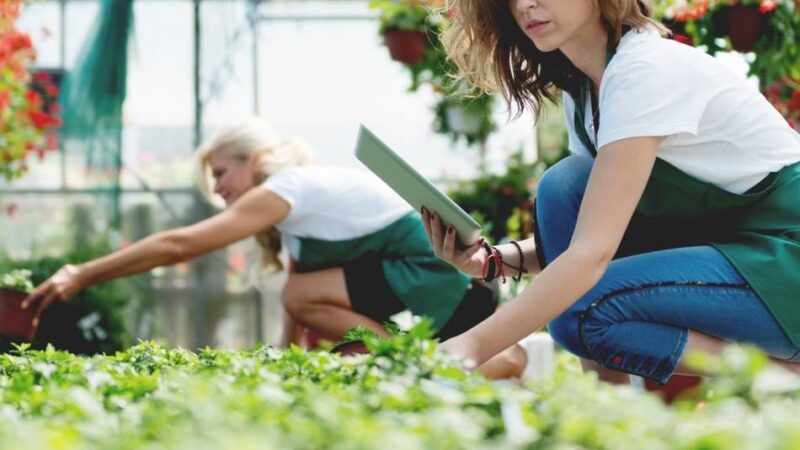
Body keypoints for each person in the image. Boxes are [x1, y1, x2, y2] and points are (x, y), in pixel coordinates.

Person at [423, 0, 800, 384]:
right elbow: (593, 235)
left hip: (788, 260)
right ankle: (607, 411)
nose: (525, 5)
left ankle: (781, 379)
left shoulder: (644, 71)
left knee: (582, 309)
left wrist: (469, 346)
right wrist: (493, 262)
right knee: (565, 186)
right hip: (742, 256)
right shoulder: (586, 90)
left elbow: (591, 254)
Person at [22, 118, 530, 379]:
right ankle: (496, 362)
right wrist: (284, 371)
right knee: (331, 338)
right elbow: (300, 310)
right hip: (441, 285)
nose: (219, 189)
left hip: (439, 272)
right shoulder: (298, 222)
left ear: (257, 159)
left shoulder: (287, 189)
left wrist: (83, 273)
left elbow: (180, 246)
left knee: (304, 301)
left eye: (222, 173)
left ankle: (413, 364)